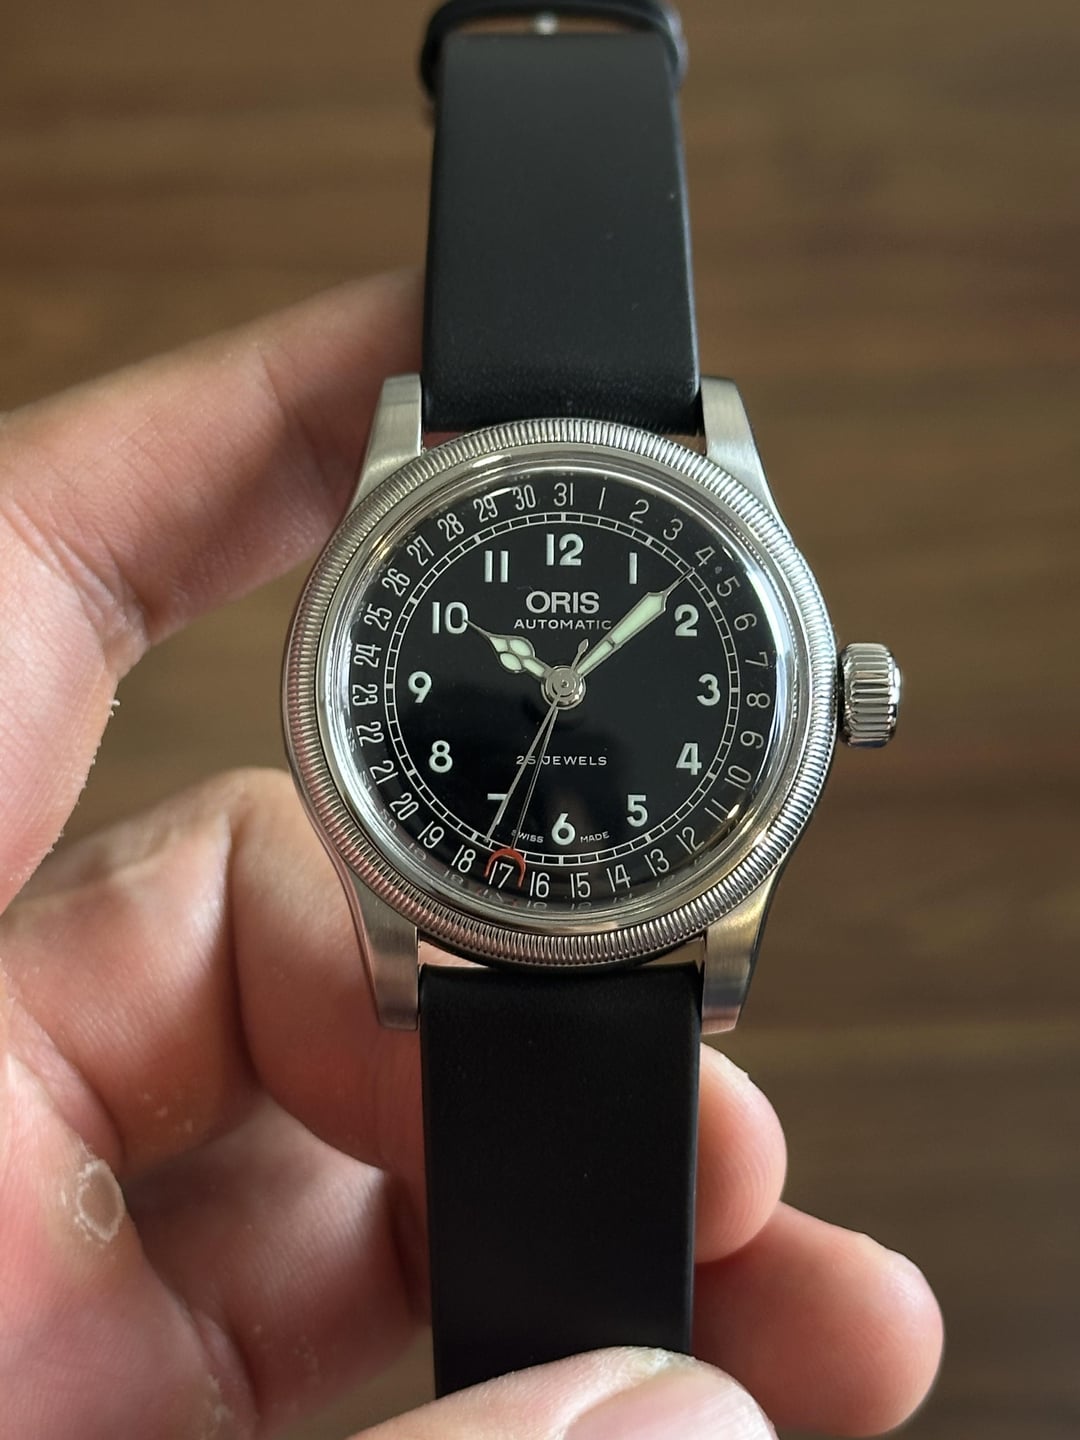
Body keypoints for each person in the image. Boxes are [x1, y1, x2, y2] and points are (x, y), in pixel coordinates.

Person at [0, 275, 942, 1440]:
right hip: (451, 913)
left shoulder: (526, 473)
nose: (562, 688)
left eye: (577, 677)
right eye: (543, 676)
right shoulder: (642, 462)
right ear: (859, 697)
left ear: (842, 699)